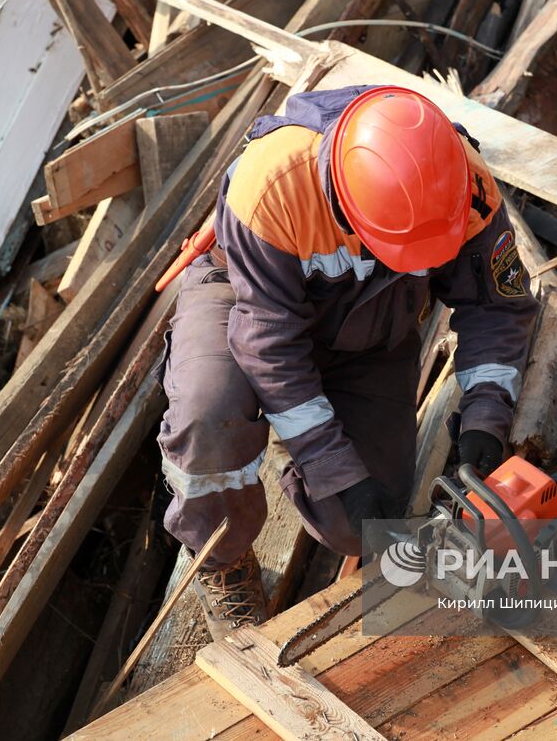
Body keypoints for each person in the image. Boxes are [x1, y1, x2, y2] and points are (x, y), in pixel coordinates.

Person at [154, 84, 537, 639]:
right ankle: (223, 560)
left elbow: (497, 309)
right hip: (245, 301)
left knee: (364, 526)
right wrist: (332, 462)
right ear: (349, 209)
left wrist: (484, 420)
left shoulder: (464, 184)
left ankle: (309, 470)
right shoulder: (271, 187)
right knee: (207, 414)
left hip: (369, 323)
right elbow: (270, 347)